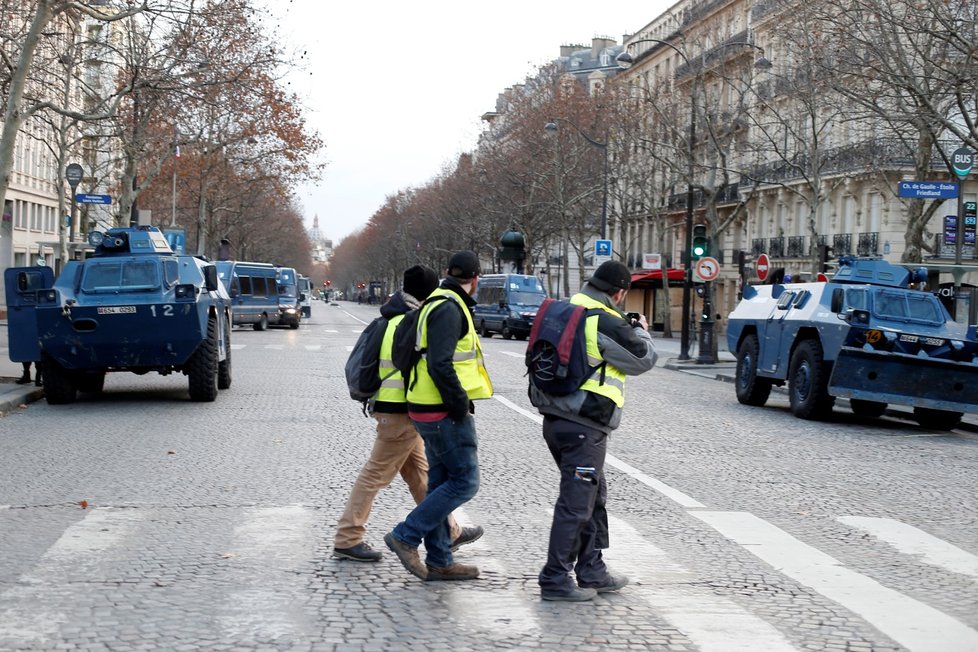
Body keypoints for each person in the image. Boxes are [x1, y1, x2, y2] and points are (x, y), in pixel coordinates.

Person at [333, 265, 483, 562]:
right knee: (374, 475)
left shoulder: (391, 317)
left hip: (392, 408)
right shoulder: (411, 321)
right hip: (400, 410)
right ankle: (348, 537)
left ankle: (449, 531)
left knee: (421, 477)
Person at [529, 260, 657, 602]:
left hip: (555, 420)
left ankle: (592, 569)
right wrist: (641, 328)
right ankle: (555, 578)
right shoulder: (604, 320)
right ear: (619, 292)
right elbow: (643, 358)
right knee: (577, 504)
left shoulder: (568, 309)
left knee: (592, 496)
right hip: (585, 425)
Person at [385, 251, 493, 582]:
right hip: (441, 409)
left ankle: (440, 559)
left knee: (440, 485)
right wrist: (459, 404)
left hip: (423, 403)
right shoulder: (449, 308)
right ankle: (405, 535)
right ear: (475, 280)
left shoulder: (435, 301)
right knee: (465, 481)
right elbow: (440, 364)